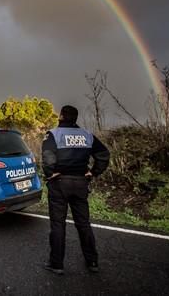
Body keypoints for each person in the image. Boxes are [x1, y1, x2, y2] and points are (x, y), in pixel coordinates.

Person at [41, 105, 110, 275]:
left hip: (59, 183)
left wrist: (51, 173)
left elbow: (48, 157)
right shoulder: (87, 135)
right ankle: (92, 261)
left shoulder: (53, 134)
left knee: (58, 224)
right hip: (80, 183)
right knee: (83, 224)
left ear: (61, 116)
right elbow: (104, 154)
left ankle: (57, 264)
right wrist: (93, 172)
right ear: (76, 118)